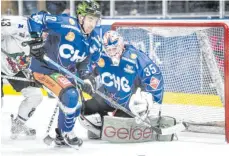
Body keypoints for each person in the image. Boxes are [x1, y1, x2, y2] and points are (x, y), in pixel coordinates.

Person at [26, 0, 102, 147]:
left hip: (63, 73)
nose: (92, 24)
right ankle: (68, 133)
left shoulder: (94, 41)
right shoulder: (66, 24)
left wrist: (86, 78)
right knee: (71, 95)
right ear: (81, 17)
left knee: (77, 103)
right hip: (45, 68)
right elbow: (35, 19)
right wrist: (36, 40)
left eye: (95, 20)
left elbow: (85, 63)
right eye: (90, 19)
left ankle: (61, 135)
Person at [80, 30, 177, 142]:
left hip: (129, 105)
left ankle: (118, 123)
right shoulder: (101, 56)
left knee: (121, 127)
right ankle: (101, 128)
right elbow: (86, 68)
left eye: (114, 49)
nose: (111, 53)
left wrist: (153, 102)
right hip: (108, 98)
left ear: (121, 45)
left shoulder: (135, 57)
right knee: (83, 110)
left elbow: (154, 77)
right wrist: (87, 79)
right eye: (108, 49)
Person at [1, 17, 43, 139]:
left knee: (35, 95)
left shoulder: (49, 37)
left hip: (15, 69)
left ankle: (18, 124)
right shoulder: (20, 24)